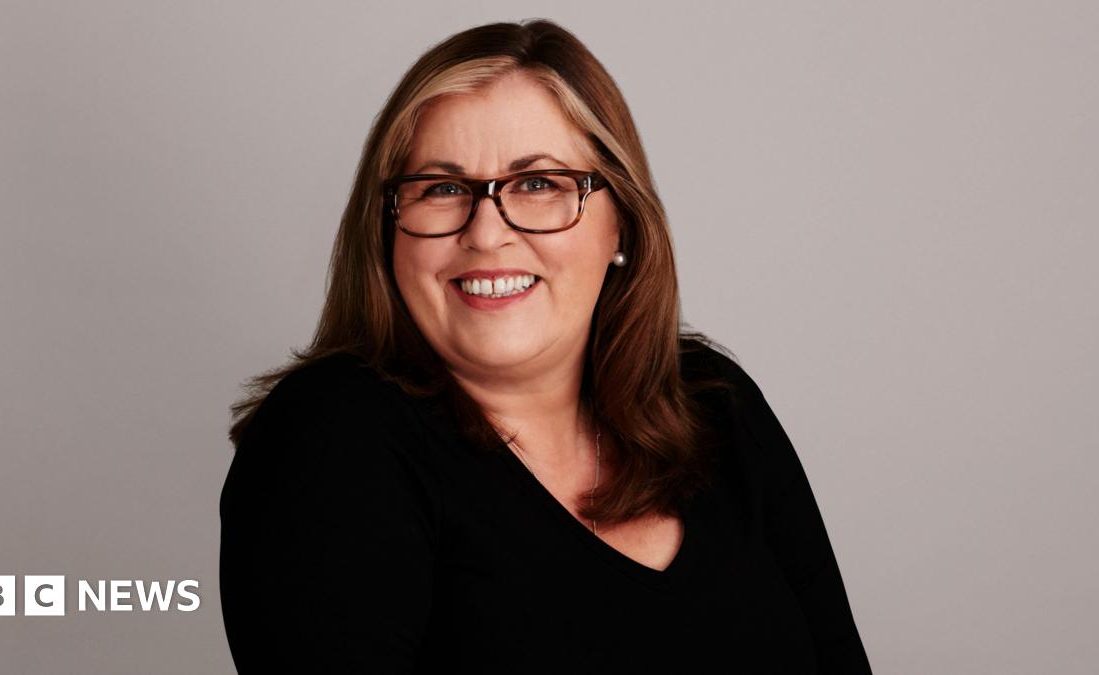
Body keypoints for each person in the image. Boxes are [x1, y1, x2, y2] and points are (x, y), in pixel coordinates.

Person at [218, 18, 871, 674]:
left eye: (538, 184)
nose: (486, 233)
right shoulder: (332, 437)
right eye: (442, 188)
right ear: (387, 229)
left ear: (621, 225)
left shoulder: (714, 403)